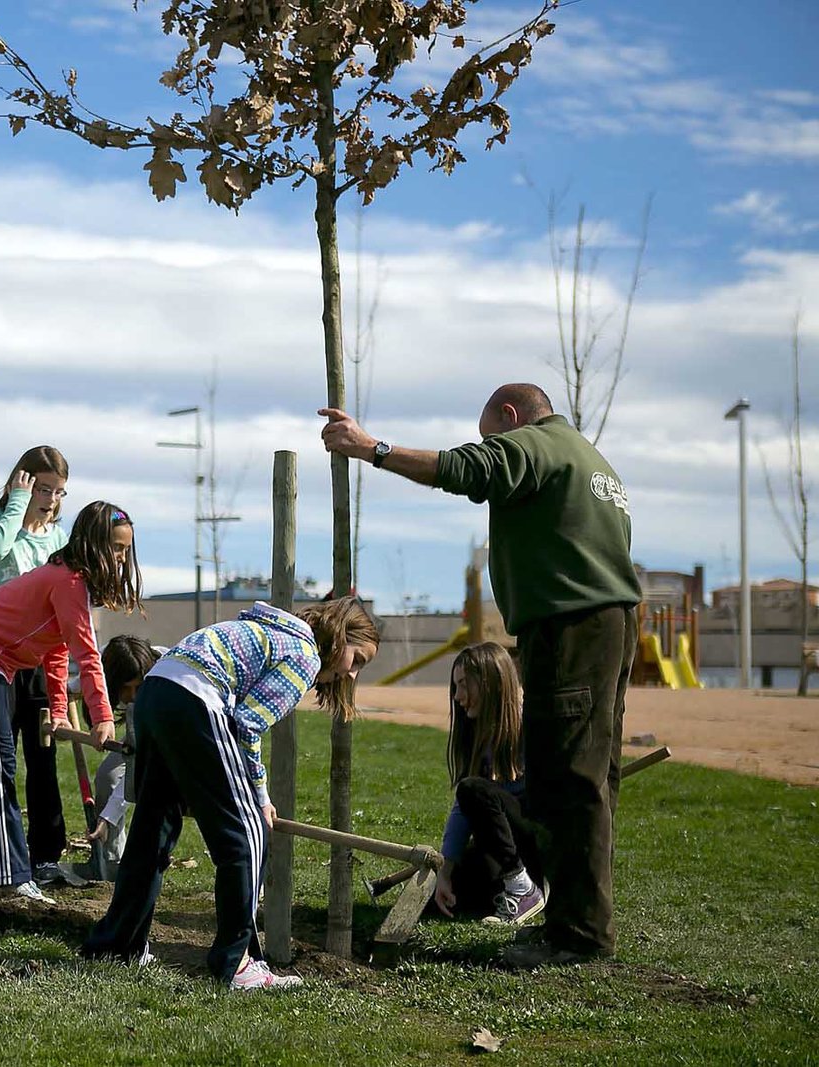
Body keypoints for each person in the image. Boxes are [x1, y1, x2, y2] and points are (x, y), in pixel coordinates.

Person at [321, 382, 641, 967]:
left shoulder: (538, 445)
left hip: (570, 629)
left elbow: (468, 469)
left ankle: (576, 937)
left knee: (567, 781)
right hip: (610, 625)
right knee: (593, 780)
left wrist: (372, 449)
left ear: (512, 417)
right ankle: (583, 924)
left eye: (491, 434)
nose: (490, 444)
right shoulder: (592, 462)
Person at [82, 597, 380, 991]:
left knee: (153, 828)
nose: (353, 674)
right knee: (247, 837)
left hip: (156, 692)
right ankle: (237, 962)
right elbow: (248, 724)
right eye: (356, 660)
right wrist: (261, 795)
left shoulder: (272, 633)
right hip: (194, 700)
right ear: (342, 637)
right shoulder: (304, 653)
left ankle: (117, 945)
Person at [0, 501, 142, 902]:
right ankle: (9, 875)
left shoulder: (76, 584)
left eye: (126, 549)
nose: (121, 557)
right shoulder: (69, 582)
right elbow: (86, 653)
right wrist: (103, 716)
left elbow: (55, 650)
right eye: (114, 547)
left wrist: (59, 709)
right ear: (91, 544)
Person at [0, 445, 76, 886]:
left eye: (60, 492)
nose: (52, 499)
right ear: (25, 481)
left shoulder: (57, 538)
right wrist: (17, 503)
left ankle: (47, 853)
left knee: (43, 754)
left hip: (38, 657)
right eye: (44, 488)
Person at [433, 642, 544, 926]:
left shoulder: (534, 725)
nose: (457, 696)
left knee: (473, 789)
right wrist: (446, 868)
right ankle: (512, 890)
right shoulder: (480, 734)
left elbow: (474, 794)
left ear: (488, 682)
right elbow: (465, 806)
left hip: (537, 842)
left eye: (463, 685)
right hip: (504, 849)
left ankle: (525, 889)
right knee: (447, 894)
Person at [84, 635, 163, 879]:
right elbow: (87, 681)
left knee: (153, 793)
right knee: (107, 777)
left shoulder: (162, 680)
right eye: (124, 688)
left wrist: (107, 817)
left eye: (137, 688)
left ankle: (147, 862)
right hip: (138, 739)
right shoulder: (108, 662)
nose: (132, 696)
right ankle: (112, 861)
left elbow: (135, 773)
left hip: (170, 738)